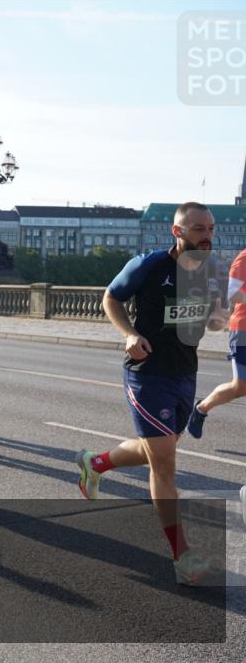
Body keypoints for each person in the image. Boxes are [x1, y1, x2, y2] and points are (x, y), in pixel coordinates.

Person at [76, 201, 228, 586]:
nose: (207, 235)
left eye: (210, 228)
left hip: (185, 373)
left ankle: (95, 464)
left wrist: (214, 319)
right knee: (164, 462)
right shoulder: (149, 265)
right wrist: (129, 334)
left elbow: (208, 319)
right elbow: (110, 298)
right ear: (177, 232)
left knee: (156, 448)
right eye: (198, 229)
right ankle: (184, 557)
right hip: (147, 373)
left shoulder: (211, 270)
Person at [187, 246, 246, 437]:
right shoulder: (244, 259)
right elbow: (231, 293)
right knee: (240, 386)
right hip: (243, 329)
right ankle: (202, 409)